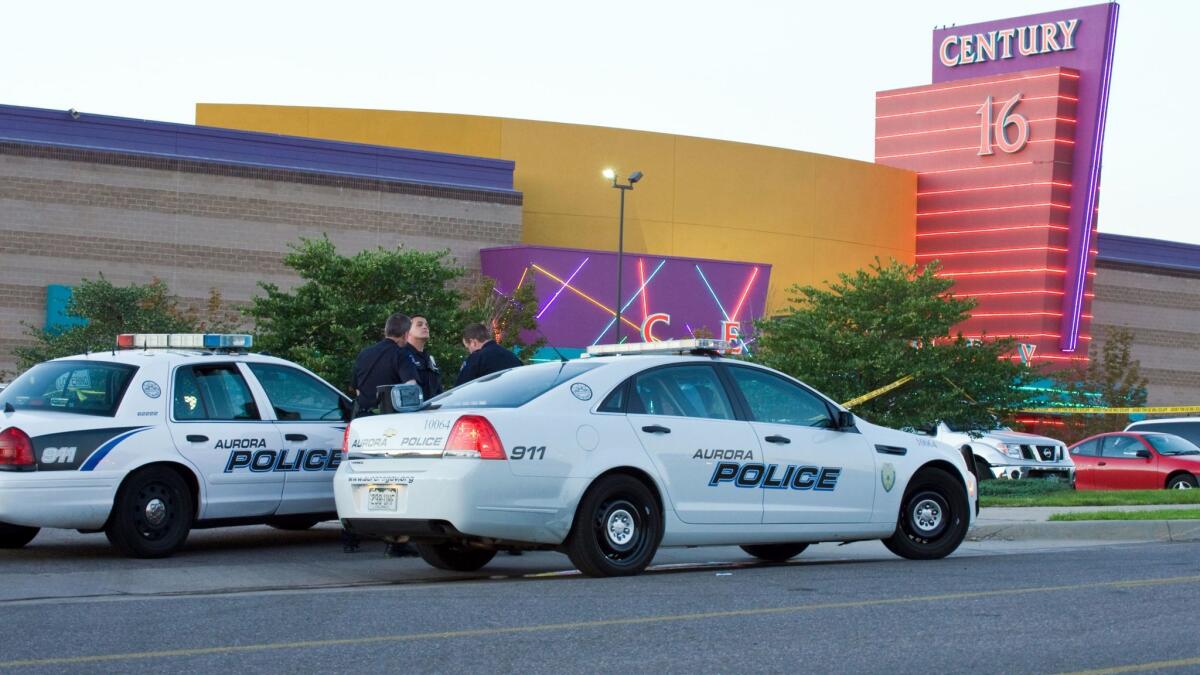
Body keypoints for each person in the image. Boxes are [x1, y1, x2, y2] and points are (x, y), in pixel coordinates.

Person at [345, 313, 419, 557]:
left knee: (357, 477)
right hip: (389, 425)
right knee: (393, 480)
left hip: (362, 422)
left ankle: (350, 537)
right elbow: (410, 387)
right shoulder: (401, 354)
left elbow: (355, 386)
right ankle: (396, 543)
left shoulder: (365, 353)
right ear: (406, 335)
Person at [456, 322, 522, 386]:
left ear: (473, 342)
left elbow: (460, 388)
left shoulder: (477, 358)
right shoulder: (511, 355)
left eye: (468, 347)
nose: (469, 351)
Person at [401, 314, 443, 402]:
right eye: (419, 325)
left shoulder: (429, 359)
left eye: (426, 325)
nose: (425, 327)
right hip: (411, 412)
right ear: (407, 331)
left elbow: (438, 390)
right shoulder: (401, 355)